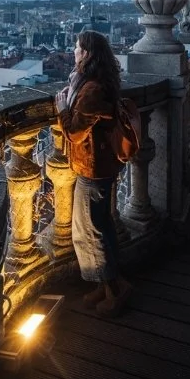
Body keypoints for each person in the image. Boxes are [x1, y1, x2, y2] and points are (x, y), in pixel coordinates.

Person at [56, 30, 132, 317]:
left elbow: (75, 132)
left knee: (91, 231)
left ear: (86, 54)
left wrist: (63, 108)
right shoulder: (98, 82)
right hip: (99, 165)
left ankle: (115, 289)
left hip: (93, 167)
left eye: (77, 48)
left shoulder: (91, 90)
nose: (74, 52)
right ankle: (104, 284)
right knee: (99, 227)